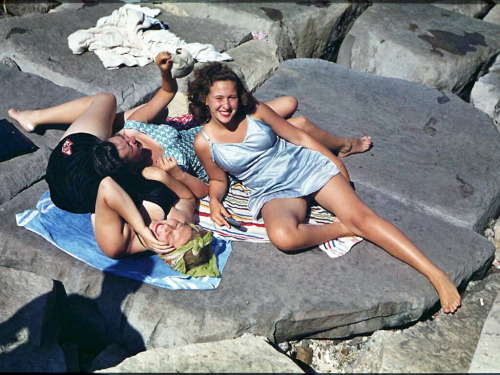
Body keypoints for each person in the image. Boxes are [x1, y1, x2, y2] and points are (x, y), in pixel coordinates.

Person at [190, 62, 461, 314]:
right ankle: (344, 228)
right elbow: (218, 180)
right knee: (284, 237)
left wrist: (332, 162)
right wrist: (215, 200)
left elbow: (296, 135)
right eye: (219, 98)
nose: (227, 105)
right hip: (271, 190)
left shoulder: (255, 111)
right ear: (205, 99)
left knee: (364, 217)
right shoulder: (204, 142)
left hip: (303, 164)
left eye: (232, 97)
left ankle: (435, 273)